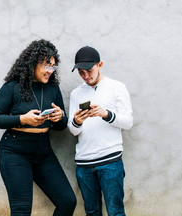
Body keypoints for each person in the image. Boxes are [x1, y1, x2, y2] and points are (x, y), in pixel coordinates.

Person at [0, 39, 76, 216]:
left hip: (43, 151)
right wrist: (23, 119)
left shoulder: (53, 88)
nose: (50, 71)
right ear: (32, 64)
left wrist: (59, 118)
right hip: (15, 151)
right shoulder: (12, 87)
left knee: (67, 201)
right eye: (46, 65)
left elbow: (61, 126)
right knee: (21, 210)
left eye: (53, 66)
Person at [68, 46, 133, 216]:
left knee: (116, 212)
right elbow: (73, 131)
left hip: (110, 161)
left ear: (100, 65)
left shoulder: (116, 87)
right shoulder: (76, 94)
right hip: (84, 164)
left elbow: (128, 122)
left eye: (89, 70)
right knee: (91, 212)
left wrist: (106, 114)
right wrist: (77, 121)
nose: (86, 76)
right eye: (81, 72)